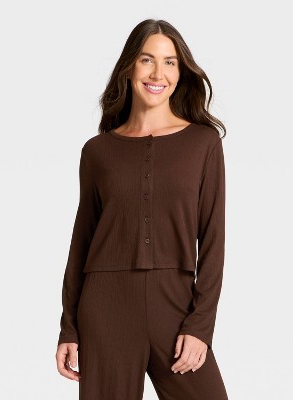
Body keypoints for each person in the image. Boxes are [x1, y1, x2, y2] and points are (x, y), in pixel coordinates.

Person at [55, 18, 229, 400]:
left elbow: (213, 241)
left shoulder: (203, 144)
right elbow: (81, 242)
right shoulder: (97, 151)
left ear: (180, 73)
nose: (157, 73)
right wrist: (69, 326)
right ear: (130, 67)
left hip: (175, 304)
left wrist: (201, 325)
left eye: (169, 62)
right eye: (147, 59)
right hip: (106, 308)